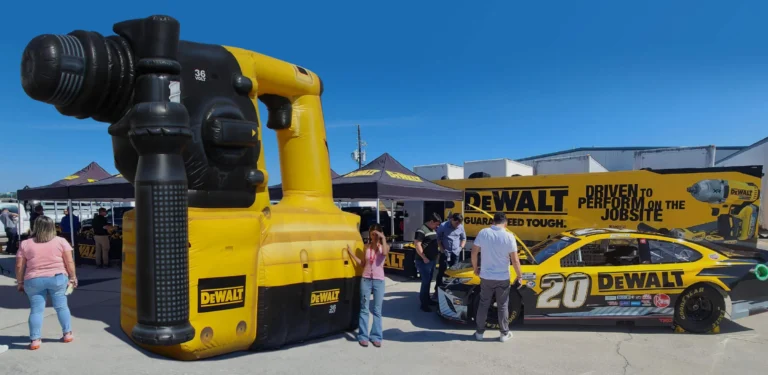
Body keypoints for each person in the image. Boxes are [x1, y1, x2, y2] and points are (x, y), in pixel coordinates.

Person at [15, 215, 78, 350]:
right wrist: (73, 277)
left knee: (36, 311)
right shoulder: (61, 241)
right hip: (58, 278)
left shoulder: (25, 243)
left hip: (33, 280)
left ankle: (35, 340)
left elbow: (19, 265)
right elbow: (69, 262)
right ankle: (67, 334)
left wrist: (20, 282)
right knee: (61, 307)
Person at [471, 212, 522, 343]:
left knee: (483, 304)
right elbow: (515, 260)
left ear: (493, 221)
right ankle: (504, 334)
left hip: (486, 277)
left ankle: (479, 333)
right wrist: (519, 276)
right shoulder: (509, 236)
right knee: (503, 306)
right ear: (506, 223)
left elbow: (474, 251)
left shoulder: (483, 233)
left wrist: (475, 267)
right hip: (502, 277)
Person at [346, 224, 390, 348]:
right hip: (366, 280)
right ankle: (363, 336)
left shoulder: (384, 247)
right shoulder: (366, 247)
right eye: (372, 234)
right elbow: (363, 264)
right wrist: (352, 254)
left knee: (377, 310)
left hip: (378, 281)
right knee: (364, 308)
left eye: (376, 234)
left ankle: (376, 336)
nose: (374, 237)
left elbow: (385, 253)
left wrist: (383, 237)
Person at [413, 213, 442, 312]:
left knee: (429, 281)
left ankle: (428, 300)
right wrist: (424, 257)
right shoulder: (421, 230)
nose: (437, 226)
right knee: (425, 282)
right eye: (436, 224)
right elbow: (417, 244)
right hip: (424, 261)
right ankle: (424, 304)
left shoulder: (432, 229)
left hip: (432, 260)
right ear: (431, 222)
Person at [434, 213, 466, 298]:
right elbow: (438, 238)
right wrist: (441, 248)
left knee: (454, 273)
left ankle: (452, 291)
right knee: (442, 272)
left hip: (456, 252)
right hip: (445, 252)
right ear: (452, 220)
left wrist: (461, 247)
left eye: (459, 224)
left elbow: (463, 238)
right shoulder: (443, 226)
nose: (457, 225)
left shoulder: (461, 226)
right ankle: (437, 291)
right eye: (456, 223)